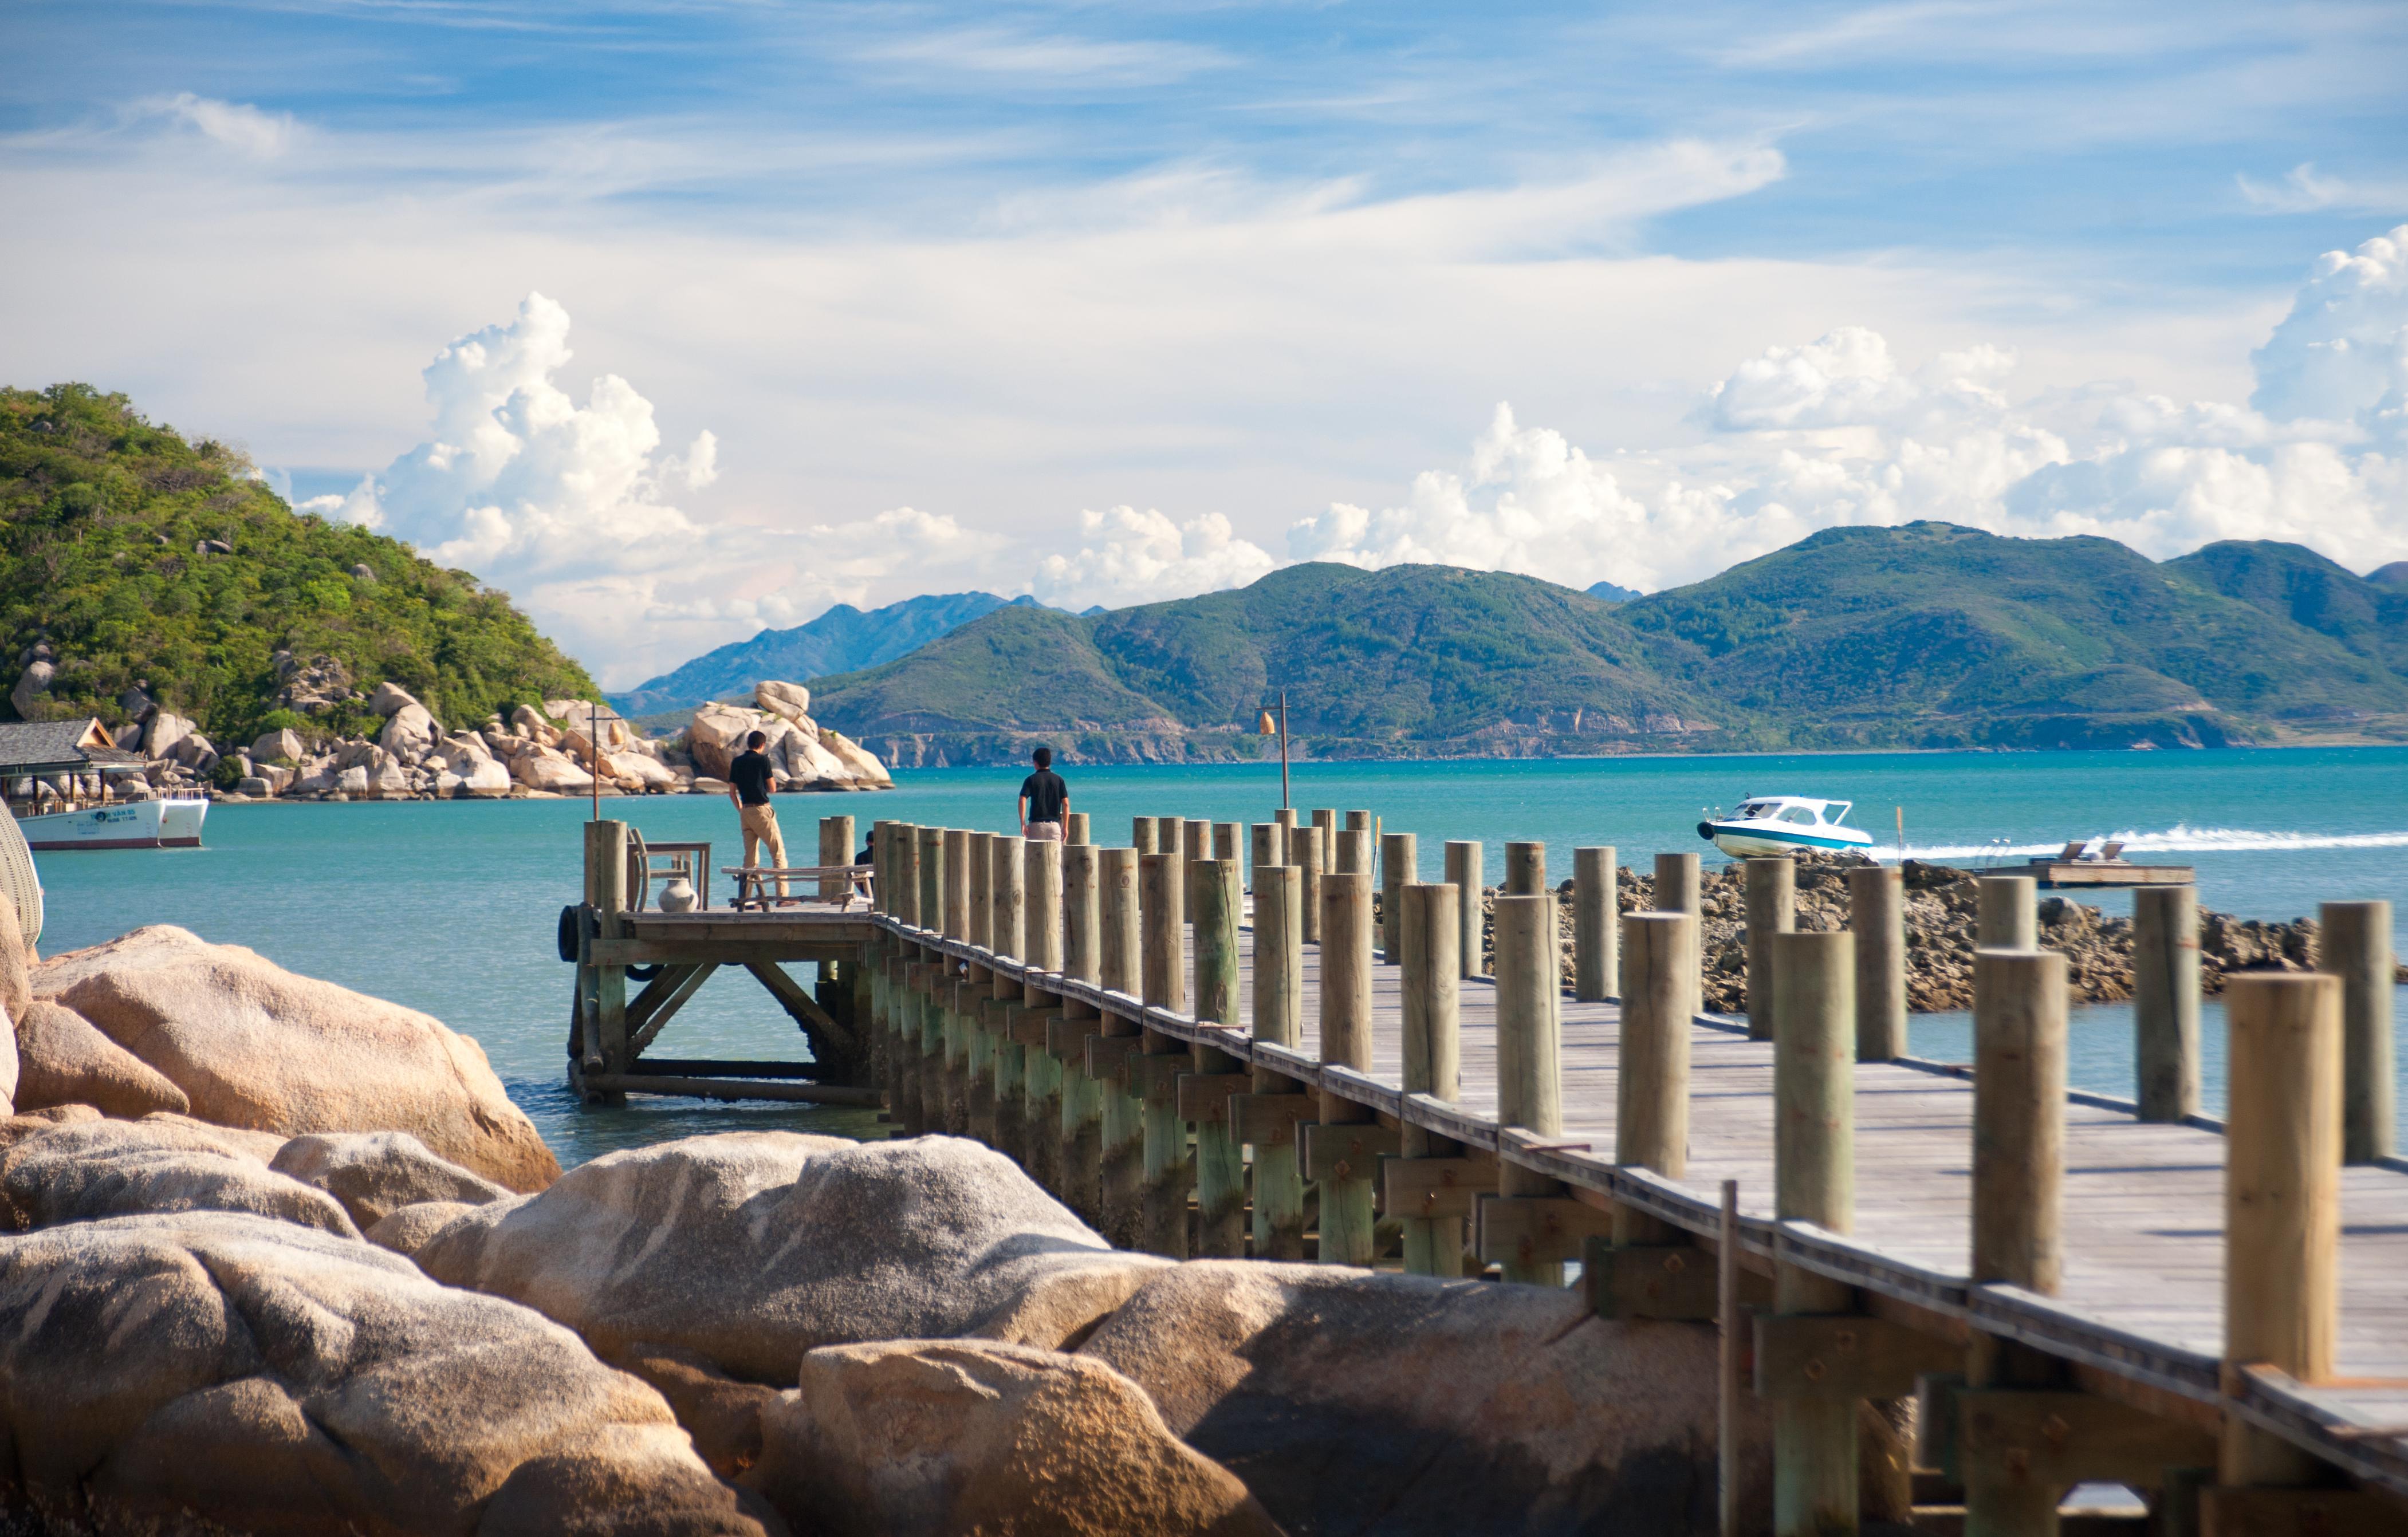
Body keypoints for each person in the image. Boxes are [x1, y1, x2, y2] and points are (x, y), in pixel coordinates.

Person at [727, 730, 787, 901]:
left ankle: (746, 898)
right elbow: (772, 788)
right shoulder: (763, 760)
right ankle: (782, 897)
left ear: (748, 743)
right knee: (778, 853)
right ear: (762, 745)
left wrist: (742, 811)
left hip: (745, 812)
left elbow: (732, 793)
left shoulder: (737, 762)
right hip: (762, 809)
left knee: (750, 859)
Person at [1018, 746, 1068, 841]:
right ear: (1049, 762)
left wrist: (1023, 823)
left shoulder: (1031, 780)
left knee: (1034, 855)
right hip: (1054, 826)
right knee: (1055, 855)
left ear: (1035, 763)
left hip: (1036, 826)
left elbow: (1022, 800)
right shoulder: (1059, 780)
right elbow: (1065, 804)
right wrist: (1065, 826)